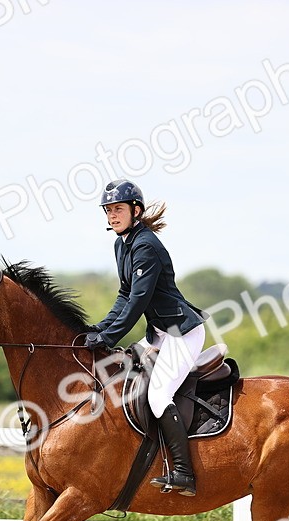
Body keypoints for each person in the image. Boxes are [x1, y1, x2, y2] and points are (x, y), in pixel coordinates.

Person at [83, 179, 207, 497]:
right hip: (161, 334)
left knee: (157, 395)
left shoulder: (145, 246)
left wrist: (109, 335)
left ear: (135, 211)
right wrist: (100, 328)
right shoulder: (121, 244)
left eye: (118, 209)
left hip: (181, 334)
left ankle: (183, 472)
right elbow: (124, 295)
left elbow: (138, 301)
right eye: (108, 210)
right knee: (120, 376)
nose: (112, 216)